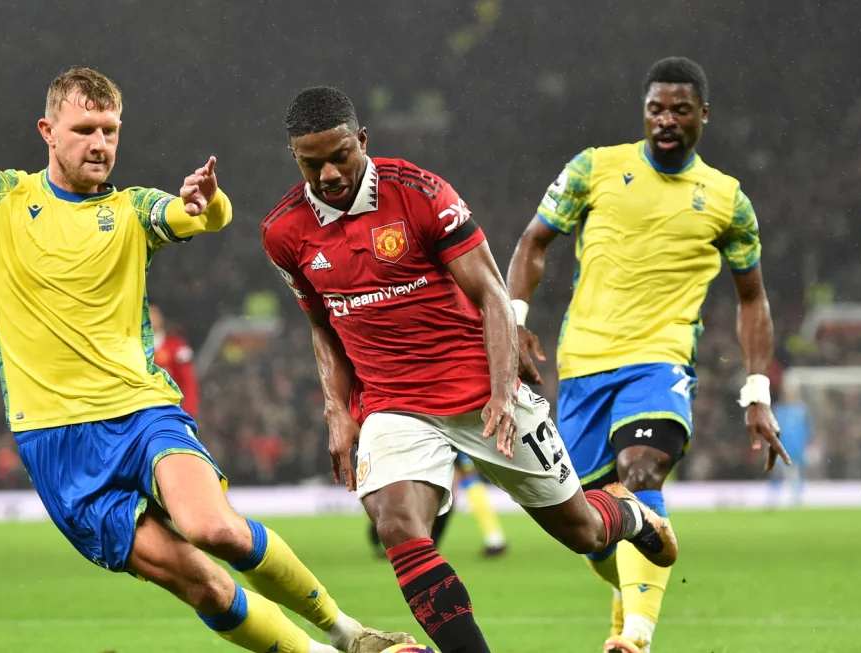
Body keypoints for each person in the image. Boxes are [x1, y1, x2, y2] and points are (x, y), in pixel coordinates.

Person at [0, 22, 411, 653]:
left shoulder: (133, 209)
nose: (100, 143)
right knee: (207, 588)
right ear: (47, 133)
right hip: (55, 443)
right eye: (84, 130)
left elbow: (202, 217)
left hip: (143, 414)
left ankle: (351, 633)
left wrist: (206, 202)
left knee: (212, 528)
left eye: (110, 130)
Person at [262, 86, 677, 653]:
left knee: (582, 530)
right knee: (396, 527)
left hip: (480, 394)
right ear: (295, 158)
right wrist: (337, 409)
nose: (330, 173)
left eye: (340, 156)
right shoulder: (284, 232)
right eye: (313, 164)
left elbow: (493, 295)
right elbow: (322, 324)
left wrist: (503, 392)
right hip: (392, 403)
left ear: (363, 140)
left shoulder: (421, 193)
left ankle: (626, 515)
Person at [506, 57, 790, 653]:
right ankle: (626, 594)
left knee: (641, 471)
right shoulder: (594, 168)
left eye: (680, 110)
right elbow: (534, 241)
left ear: (702, 117)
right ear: (643, 112)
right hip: (582, 366)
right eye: (656, 109)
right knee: (590, 532)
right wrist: (514, 324)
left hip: (659, 364)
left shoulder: (727, 201)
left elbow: (752, 297)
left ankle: (636, 637)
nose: (666, 120)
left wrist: (758, 392)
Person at [365, 455, 508, 558]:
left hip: (444, 423)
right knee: (461, 481)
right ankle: (494, 537)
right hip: (445, 423)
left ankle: (418, 540)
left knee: (459, 481)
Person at [150, 304, 200, 416]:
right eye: (146, 314)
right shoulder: (132, 348)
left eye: (153, 314)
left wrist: (187, 412)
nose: (150, 318)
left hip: (169, 410)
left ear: (160, 317)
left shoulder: (176, 347)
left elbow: (189, 382)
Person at [769, 383, 811, 507]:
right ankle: (773, 498)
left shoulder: (802, 410)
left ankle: (797, 498)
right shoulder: (779, 410)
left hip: (798, 448)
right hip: (782, 447)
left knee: (797, 474)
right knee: (777, 473)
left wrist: (808, 444)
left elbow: (808, 429)